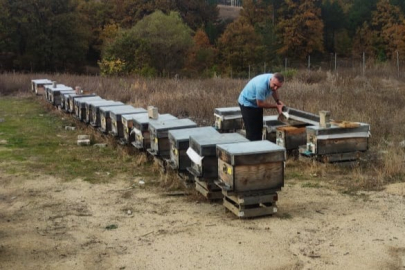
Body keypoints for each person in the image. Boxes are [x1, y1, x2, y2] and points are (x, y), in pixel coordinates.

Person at [238, 73, 285, 141]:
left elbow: (274, 91)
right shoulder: (261, 85)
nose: (275, 88)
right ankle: (251, 148)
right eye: (274, 85)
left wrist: (278, 101)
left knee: (259, 128)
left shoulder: (273, 80)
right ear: (271, 79)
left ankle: (259, 145)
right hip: (247, 103)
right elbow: (260, 104)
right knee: (252, 132)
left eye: (278, 87)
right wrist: (276, 106)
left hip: (255, 104)